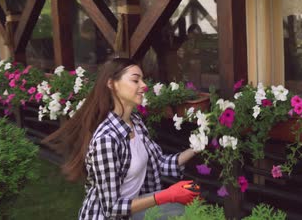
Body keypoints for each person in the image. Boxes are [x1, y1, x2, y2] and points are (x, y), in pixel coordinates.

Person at [43, 58, 199, 219]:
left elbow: (158, 164)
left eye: (142, 80)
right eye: (135, 80)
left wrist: (198, 146)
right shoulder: (107, 140)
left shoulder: (136, 123)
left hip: (131, 212)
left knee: (187, 210)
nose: (144, 85)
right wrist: (166, 196)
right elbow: (112, 209)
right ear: (112, 84)